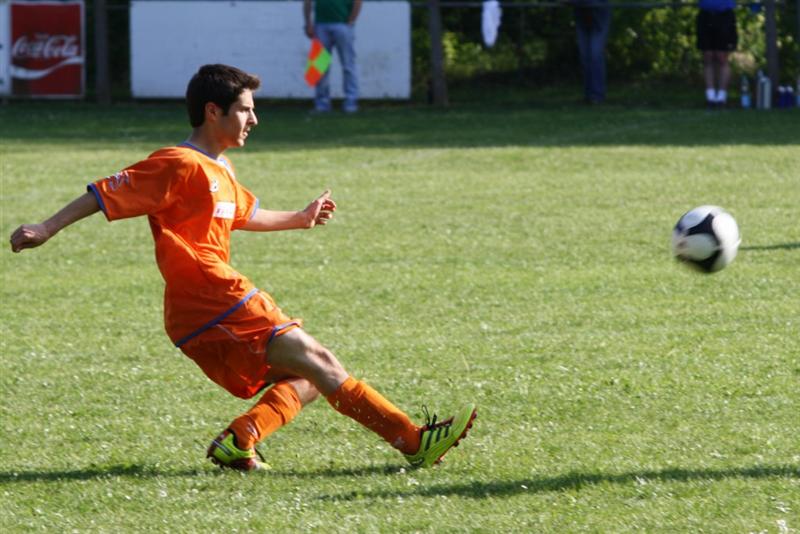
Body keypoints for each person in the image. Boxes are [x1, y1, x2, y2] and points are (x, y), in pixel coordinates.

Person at [9, 64, 476, 471]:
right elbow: (105, 192)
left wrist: (300, 218)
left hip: (202, 307)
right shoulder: (178, 163)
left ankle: (241, 439)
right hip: (210, 293)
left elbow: (244, 215)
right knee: (320, 361)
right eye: (245, 110)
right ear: (213, 112)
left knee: (309, 377)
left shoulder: (221, 169)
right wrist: (47, 227)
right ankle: (412, 441)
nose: (254, 119)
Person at [303, 0, 362, 113]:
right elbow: (307, 2)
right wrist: (308, 23)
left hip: (342, 24)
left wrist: (351, 20)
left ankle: (351, 102)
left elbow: (358, 1)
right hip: (321, 25)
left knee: (348, 65)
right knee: (320, 66)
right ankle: (322, 103)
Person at [696, 0, 738, 108]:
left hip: (724, 14)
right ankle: (710, 97)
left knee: (722, 57)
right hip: (706, 14)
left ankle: (721, 97)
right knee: (707, 56)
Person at [572, 0, 612, 104]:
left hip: (597, 10)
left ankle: (596, 95)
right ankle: (589, 95)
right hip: (582, 12)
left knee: (595, 55)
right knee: (585, 56)